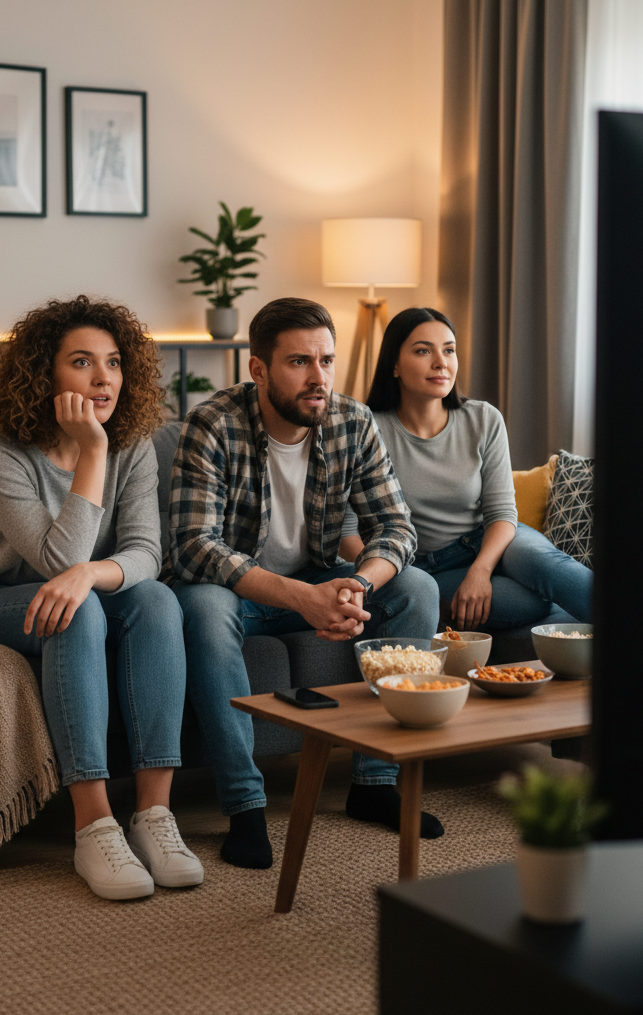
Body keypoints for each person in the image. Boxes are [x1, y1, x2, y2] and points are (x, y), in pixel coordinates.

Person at [0, 295, 203, 901]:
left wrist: (88, 576)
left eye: (112, 362)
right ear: (44, 373)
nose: (103, 378)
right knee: (77, 606)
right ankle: (93, 824)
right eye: (82, 362)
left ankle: (155, 816)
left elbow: (144, 554)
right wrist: (92, 451)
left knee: (159, 602)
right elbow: (58, 561)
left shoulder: (135, 444)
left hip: (81, 594)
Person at [165, 297, 443, 870]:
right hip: (240, 593)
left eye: (327, 360)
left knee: (417, 589)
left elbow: (395, 527)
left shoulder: (351, 421)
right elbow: (194, 546)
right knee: (205, 610)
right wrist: (304, 599)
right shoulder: (211, 425)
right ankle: (244, 806)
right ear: (258, 369)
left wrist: (359, 585)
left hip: (319, 579)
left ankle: (376, 783)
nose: (318, 378)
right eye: (299, 362)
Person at [340, 306, 592, 632]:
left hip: (490, 543)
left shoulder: (483, 418)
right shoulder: (364, 429)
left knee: (546, 566)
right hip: (418, 567)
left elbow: (502, 514)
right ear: (395, 365)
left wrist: (480, 572)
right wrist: (386, 579)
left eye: (448, 350)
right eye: (422, 351)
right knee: (531, 601)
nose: (440, 362)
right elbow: (346, 536)